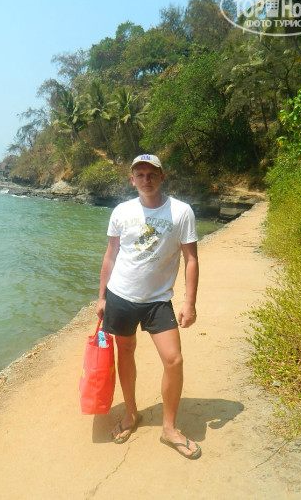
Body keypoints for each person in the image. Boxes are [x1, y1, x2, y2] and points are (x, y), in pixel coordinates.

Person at [96, 154, 201, 460]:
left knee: (173, 360)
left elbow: (191, 259)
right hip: (121, 296)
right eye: (140, 175)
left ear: (162, 176)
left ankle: (169, 428)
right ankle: (131, 414)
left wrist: (190, 303)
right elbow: (111, 256)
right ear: (132, 180)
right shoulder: (121, 211)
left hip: (158, 300)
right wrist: (102, 297)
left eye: (151, 173)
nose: (146, 179)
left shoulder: (181, 212)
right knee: (125, 353)